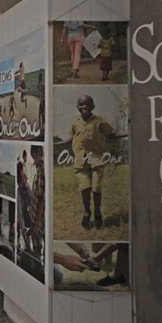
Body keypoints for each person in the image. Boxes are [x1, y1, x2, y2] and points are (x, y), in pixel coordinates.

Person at [55, 94, 126, 230]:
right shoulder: (75, 123)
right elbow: (72, 138)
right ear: (77, 107)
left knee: (96, 187)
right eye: (81, 104)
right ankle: (87, 212)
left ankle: (98, 212)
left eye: (87, 104)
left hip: (96, 160)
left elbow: (110, 135)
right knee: (85, 187)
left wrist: (128, 133)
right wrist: (56, 144)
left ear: (93, 106)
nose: (84, 106)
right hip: (80, 161)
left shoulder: (99, 122)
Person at [28, 145, 45, 255]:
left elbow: (42, 200)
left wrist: (38, 223)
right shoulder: (39, 168)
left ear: (39, 152)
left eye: (34, 158)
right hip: (35, 219)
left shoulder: (43, 170)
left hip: (40, 220)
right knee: (35, 243)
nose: (33, 161)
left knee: (39, 245)